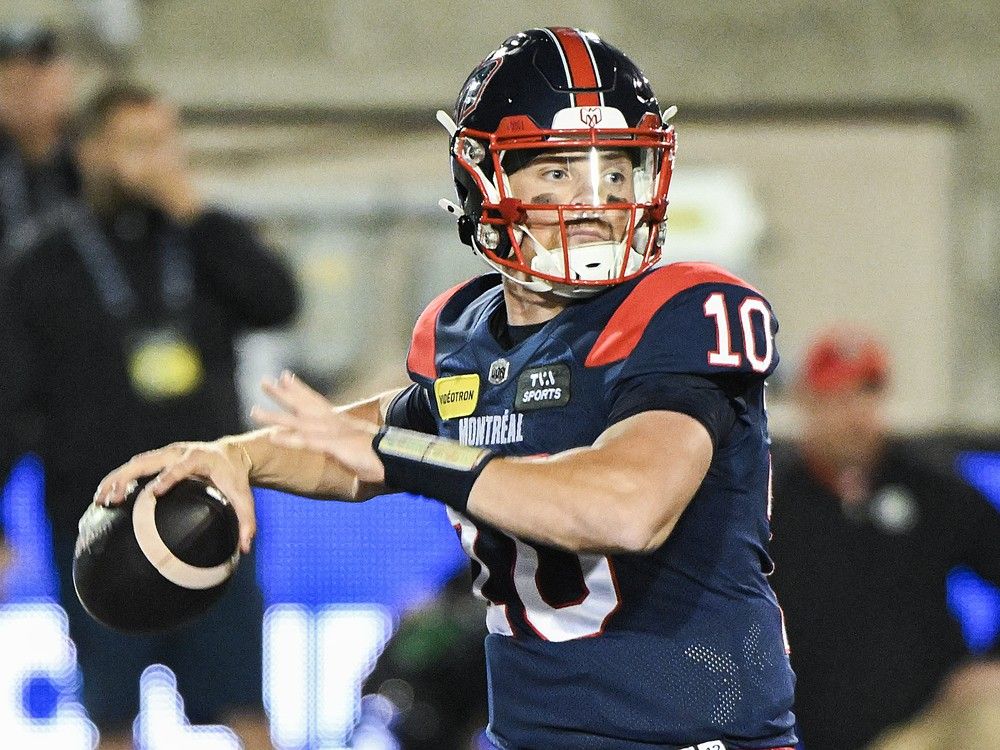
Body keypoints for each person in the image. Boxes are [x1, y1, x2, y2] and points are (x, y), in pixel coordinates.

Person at [96, 28, 797, 750]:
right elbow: (362, 442)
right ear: (482, 178)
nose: (594, 201)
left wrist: (401, 455)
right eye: (559, 172)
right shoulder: (464, 333)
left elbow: (627, 508)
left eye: (616, 172)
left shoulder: (682, 311)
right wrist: (232, 457)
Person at [0, 82, 300, 748]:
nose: (155, 160)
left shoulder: (203, 238)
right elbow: (8, 398)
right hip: (98, 522)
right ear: (91, 152)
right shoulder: (42, 262)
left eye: (165, 142)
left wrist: (190, 208)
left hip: (209, 516)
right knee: (110, 717)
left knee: (245, 706)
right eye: (136, 144)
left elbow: (277, 300)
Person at [767, 327, 1000, 750]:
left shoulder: (931, 489)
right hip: (827, 732)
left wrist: (992, 663)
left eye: (866, 394)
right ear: (806, 404)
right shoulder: (773, 503)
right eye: (838, 398)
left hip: (935, 719)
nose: (855, 414)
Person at [0, 24, 79, 266]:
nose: (22, 83)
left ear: (67, 77)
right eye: (8, 74)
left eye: (38, 69)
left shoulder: (96, 156)